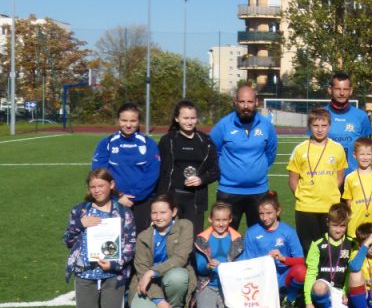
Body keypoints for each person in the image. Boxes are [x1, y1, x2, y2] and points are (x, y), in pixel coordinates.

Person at [63, 168, 137, 308]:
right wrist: (80, 225)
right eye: (93, 187)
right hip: (86, 272)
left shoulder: (124, 212)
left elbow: (130, 245)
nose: (97, 190)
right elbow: (68, 241)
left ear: (111, 185)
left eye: (101, 186)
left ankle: (119, 295)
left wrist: (114, 264)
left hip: (112, 273)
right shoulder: (79, 210)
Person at [210, 85, 278, 231]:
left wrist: (258, 170)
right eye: (242, 102)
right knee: (224, 237)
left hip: (259, 192)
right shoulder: (223, 125)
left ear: (256, 102)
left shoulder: (266, 125)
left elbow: (270, 153)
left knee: (261, 238)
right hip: (228, 192)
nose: (246, 106)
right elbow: (213, 152)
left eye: (249, 102)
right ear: (235, 102)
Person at [91, 102, 161, 233]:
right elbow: (99, 173)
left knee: (141, 242)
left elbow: (152, 175)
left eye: (133, 120)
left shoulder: (148, 144)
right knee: (114, 242)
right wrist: (119, 195)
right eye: (124, 120)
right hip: (113, 200)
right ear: (118, 120)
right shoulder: (107, 143)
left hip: (142, 202)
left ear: (138, 121)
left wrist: (134, 196)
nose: (128, 125)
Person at [128, 195, 196, 308]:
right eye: (154, 213)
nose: (158, 217)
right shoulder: (143, 237)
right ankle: (161, 303)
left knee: (178, 276)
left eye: (163, 212)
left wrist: (152, 272)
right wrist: (159, 300)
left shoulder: (185, 226)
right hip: (149, 284)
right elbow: (142, 271)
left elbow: (180, 258)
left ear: (174, 212)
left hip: (170, 277)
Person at [287, 107, 348, 252]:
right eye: (315, 125)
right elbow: (293, 179)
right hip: (306, 208)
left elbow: (340, 176)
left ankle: (327, 275)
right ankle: (312, 275)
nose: (320, 129)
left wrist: (331, 191)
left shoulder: (337, 149)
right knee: (309, 249)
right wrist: (301, 196)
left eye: (324, 125)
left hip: (330, 207)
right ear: (309, 126)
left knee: (330, 249)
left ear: (329, 126)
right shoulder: (300, 149)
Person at [158, 100, 220, 233]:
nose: (189, 122)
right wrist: (161, 197)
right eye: (185, 118)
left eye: (193, 118)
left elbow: (215, 170)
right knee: (170, 236)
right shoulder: (167, 140)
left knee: (193, 237)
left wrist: (202, 179)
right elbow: (160, 170)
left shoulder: (205, 141)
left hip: (196, 198)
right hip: (172, 195)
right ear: (176, 118)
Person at [241, 191, 305, 308]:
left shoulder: (288, 232)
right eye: (261, 214)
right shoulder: (252, 232)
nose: (265, 218)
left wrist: (283, 258)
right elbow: (247, 262)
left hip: (283, 276)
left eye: (269, 213)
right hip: (262, 278)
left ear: (278, 211)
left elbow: (301, 260)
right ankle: (273, 296)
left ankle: (289, 299)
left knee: (301, 272)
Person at [302, 202, 354, 308]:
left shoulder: (351, 244)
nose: (338, 230)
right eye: (334, 225)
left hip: (340, 290)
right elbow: (311, 273)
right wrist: (308, 302)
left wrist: (346, 293)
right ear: (327, 222)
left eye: (342, 226)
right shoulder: (318, 244)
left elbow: (350, 273)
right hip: (323, 288)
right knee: (319, 286)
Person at [193, 202, 244, 308]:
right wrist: (208, 266)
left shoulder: (237, 239)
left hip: (229, 285)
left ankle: (219, 303)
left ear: (230, 219)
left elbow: (241, 263)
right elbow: (199, 266)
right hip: (208, 284)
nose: (221, 224)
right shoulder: (202, 239)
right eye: (217, 220)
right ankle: (205, 301)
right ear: (210, 219)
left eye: (224, 220)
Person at [325, 72, 372, 177]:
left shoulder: (361, 116)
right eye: (338, 89)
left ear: (350, 91)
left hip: (354, 179)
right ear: (330, 89)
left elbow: (367, 149)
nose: (342, 93)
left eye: (345, 89)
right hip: (327, 178)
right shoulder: (321, 116)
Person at [341, 137, 372, 241]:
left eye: (368, 154)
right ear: (354, 155)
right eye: (362, 154)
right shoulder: (350, 178)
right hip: (356, 225)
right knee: (356, 255)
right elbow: (349, 202)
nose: (365, 157)